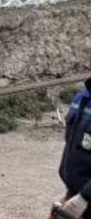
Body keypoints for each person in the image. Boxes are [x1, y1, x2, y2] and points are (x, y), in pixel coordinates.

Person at [55, 79, 91, 218]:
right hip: (76, 193)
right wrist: (69, 194)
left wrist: (84, 198)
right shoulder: (80, 98)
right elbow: (71, 145)